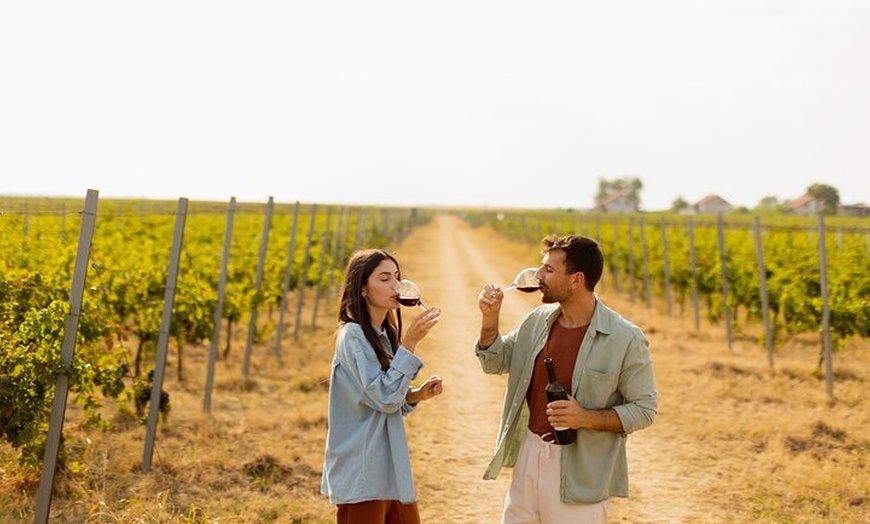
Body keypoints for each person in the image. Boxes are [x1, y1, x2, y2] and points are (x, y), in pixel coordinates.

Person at [475, 235, 657, 524]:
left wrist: (585, 417)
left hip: (581, 473)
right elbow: (494, 362)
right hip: (530, 454)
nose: (538, 275)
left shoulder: (625, 338)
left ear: (576, 280)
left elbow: (645, 410)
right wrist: (490, 320)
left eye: (549, 269)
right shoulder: (537, 320)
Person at [321, 248, 444, 524]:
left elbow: (389, 399)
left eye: (397, 277)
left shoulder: (384, 334)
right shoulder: (353, 336)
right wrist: (409, 343)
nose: (396, 285)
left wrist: (416, 395)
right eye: (385, 278)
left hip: (390, 465)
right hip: (363, 466)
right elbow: (384, 397)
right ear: (362, 289)